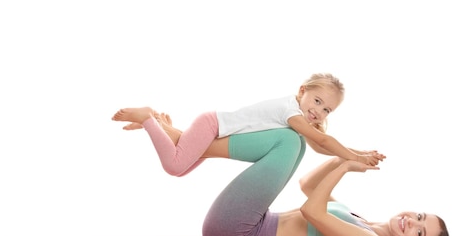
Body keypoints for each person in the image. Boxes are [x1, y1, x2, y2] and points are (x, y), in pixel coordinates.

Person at [128, 115, 449, 236]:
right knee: (296, 142)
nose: (413, 221)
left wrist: (348, 166)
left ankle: (188, 144)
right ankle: (188, 144)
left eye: (419, 233)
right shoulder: (360, 219)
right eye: (420, 217)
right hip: (250, 223)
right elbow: (308, 186)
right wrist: (345, 155)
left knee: (288, 140)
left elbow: (312, 211)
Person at [112, 73, 385, 177]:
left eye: (327, 109)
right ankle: (148, 118)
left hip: (213, 127)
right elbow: (324, 141)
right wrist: (356, 155)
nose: (319, 111)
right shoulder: (291, 111)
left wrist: (359, 153)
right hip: (212, 125)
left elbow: (319, 145)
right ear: (302, 90)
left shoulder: (298, 114)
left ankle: (158, 125)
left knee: (181, 167)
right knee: (174, 165)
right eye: (317, 100)